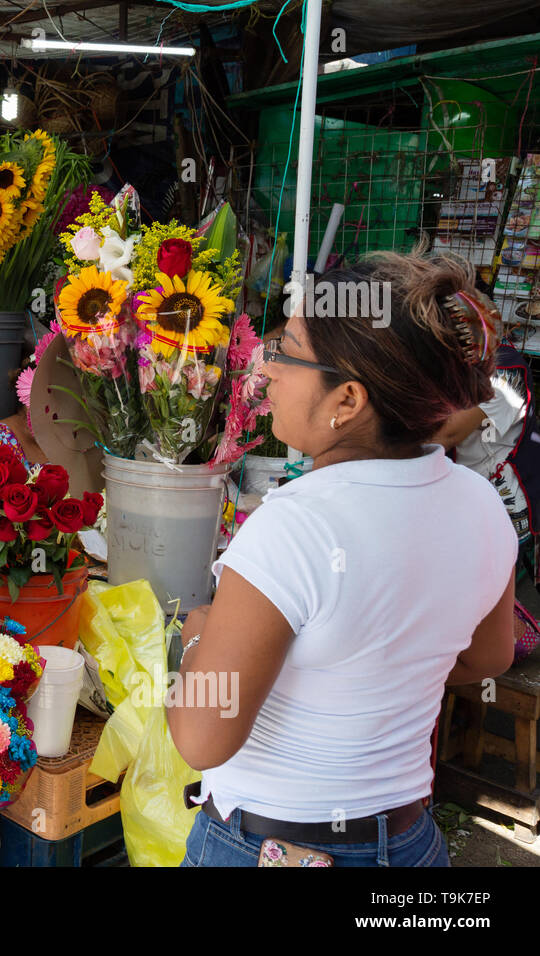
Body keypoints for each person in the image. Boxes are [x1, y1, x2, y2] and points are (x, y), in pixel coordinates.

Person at [167, 249, 517, 867]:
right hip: (407, 847)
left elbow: (200, 739)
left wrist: (197, 637)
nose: (267, 368)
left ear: (348, 400)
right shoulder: (479, 502)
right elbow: (488, 656)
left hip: (269, 848)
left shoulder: (295, 526)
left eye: (288, 352)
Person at [431, 299, 540, 583]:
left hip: (501, 501)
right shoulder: (450, 368)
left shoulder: (504, 371)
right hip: (461, 490)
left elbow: (446, 435)